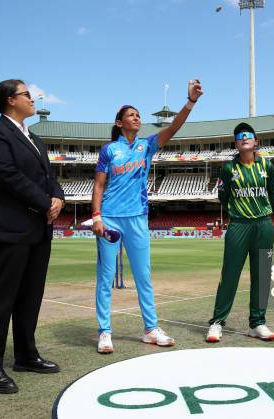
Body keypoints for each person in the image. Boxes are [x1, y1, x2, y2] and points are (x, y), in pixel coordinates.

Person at [92, 80, 203, 354]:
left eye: (138, 115)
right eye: (131, 115)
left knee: (144, 276)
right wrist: (96, 216)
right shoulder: (109, 150)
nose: (137, 118)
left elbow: (174, 128)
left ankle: (151, 329)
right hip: (110, 218)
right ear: (119, 123)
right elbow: (98, 186)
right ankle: (105, 332)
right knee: (106, 276)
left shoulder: (147, 145)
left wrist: (190, 102)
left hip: (138, 218)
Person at [0, 79, 65, 393]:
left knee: (29, 297)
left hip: (36, 230)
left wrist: (59, 198)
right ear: (11, 100)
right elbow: (6, 174)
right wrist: (43, 202)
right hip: (5, 230)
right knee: (0, 300)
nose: (33, 98)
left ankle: (25, 355)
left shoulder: (34, 138)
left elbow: (49, 176)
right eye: (27, 94)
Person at [205, 122, 274, 343]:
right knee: (229, 275)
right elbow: (223, 197)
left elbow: (273, 193)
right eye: (240, 136)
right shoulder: (229, 169)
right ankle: (217, 322)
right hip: (238, 225)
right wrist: (240, 213)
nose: (244, 138)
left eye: (248, 135)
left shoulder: (267, 166)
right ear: (236, 143)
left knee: (262, 275)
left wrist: (262, 214)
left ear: (256, 141)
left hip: (263, 226)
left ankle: (257, 323)